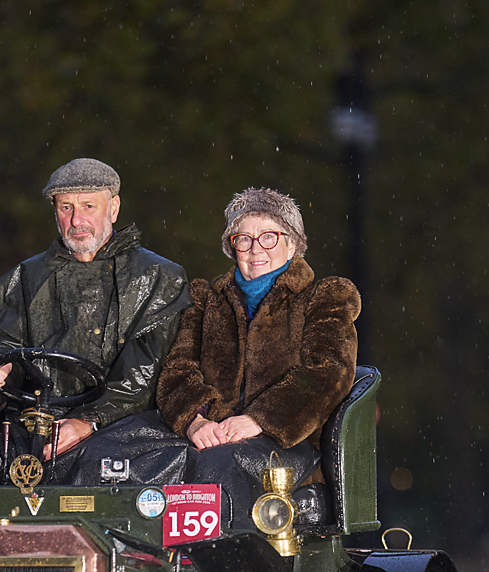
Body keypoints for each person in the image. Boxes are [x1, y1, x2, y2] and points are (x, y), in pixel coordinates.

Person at [0, 158, 190, 485]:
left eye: (89, 206)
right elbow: (2, 341)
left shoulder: (160, 277)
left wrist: (88, 421)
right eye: (66, 207)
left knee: (92, 471)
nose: (77, 220)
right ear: (55, 212)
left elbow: (142, 377)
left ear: (113, 208)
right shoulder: (29, 276)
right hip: (34, 423)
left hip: (126, 429)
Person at [151, 187, 360, 527]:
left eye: (269, 237)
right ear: (231, 246)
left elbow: (328, 374)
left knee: (219, 464)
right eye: (243, 238)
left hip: (289, 444)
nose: (255, 248)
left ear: (292, 244)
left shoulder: (323, 298)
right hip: (211, 435)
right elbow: (178, 368)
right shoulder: (206, 300)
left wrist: (260, 419)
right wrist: (195, 419)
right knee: (123, 451)